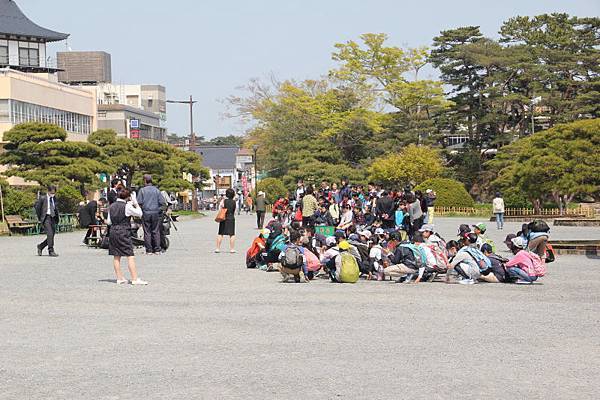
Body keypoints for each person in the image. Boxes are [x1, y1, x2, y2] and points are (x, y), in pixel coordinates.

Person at [107, 188, 147, 285]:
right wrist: (135, 202)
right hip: (123, 231)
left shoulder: (111, 206)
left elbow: (109, 221)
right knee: (130, 255)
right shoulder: (126, 207)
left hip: (113, 231)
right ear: (128, 197)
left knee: (116, 256)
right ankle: (134, 278)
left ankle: (119, 278)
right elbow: (139, 213)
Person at [136, 175, 166, 255]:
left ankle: (149, 250)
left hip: (146, 213)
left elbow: (139, 203)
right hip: (155, 213)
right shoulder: (156, 190)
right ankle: (157, 249)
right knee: (156, 231)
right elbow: (162, 202)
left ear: (145, 181)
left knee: (147, 232)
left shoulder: (142, 190)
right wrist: (158, 210)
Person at [35, 185, 60, 257]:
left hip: (53, 217)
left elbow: (56, 208)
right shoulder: (43, 198)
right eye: (51, 193)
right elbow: (37, 208)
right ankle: (51, 250)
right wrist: (40, 218)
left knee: (52, 235)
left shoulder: (54, 198)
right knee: (49, 234)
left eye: (54, 193)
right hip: (46, 217)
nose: (53, 194)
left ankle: (40, 246)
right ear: (48, 191)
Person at [216, 188, 237, 253]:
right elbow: (235, 210)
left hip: (224, 218)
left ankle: (217, 248)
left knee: (220, 233)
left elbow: (220, 208)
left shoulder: (223, 201)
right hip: (231, 218)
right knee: (232, 234)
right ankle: (232, 249)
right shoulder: (234, 202)